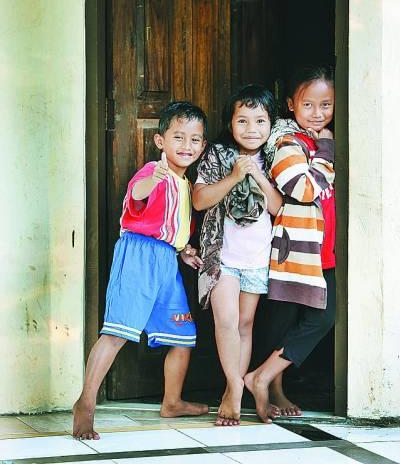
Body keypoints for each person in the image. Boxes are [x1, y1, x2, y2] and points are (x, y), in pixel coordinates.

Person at [73, 101, 208, 440]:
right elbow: (137, 194)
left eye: (194, 139)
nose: (187, 145)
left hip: (167, 262)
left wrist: (184, 251)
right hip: (138, 257)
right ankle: (86, 403)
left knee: (183, 337)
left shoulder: (186, 184)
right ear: (161, 141)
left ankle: (172, 402)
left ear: (203, 145)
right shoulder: (153, 170)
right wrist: (155, 178)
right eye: (178, 137)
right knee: (117, 332)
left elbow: (170, 227)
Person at [244, 66, 336, 422]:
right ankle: (268, 383)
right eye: (308, 104)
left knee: (321, 318)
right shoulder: (288, 143)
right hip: (295, 249)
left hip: (322, 250)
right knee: (285, 321)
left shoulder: (322, 140)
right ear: (291, 104)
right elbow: (303, 188)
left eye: (326, 104)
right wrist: (325, 147)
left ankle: (262, 377)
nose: (317, 113)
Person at [192, 85, 283, 426]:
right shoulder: (216, 155)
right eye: (242, 120)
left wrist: (257, 174)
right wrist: (234, 176)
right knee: (227, 321)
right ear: (230, 124)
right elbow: (200, 200)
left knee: (245, 325)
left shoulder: (275, 157)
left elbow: (278, 208)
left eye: (260, 121)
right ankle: (234, 387)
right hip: (222, 257)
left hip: (258, 259)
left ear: (271, 123)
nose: (251, 129)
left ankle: (234, 390)